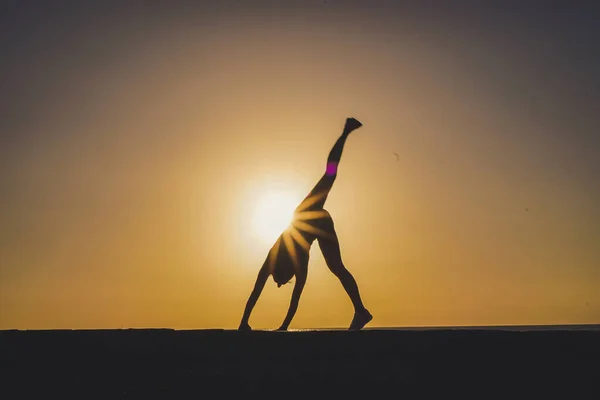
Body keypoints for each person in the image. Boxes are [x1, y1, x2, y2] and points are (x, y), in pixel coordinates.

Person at [238, 117, 373, 331]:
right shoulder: (298, 263)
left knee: (329, 175)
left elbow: (259, 292)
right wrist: (269, 325)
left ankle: (346, 131)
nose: (282, 282)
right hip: (319, 222)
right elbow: (292, 298)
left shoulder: (276, 258)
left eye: (281, 280)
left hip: (306, 215)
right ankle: (361, 311)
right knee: (336, 267)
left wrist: (245, 322)